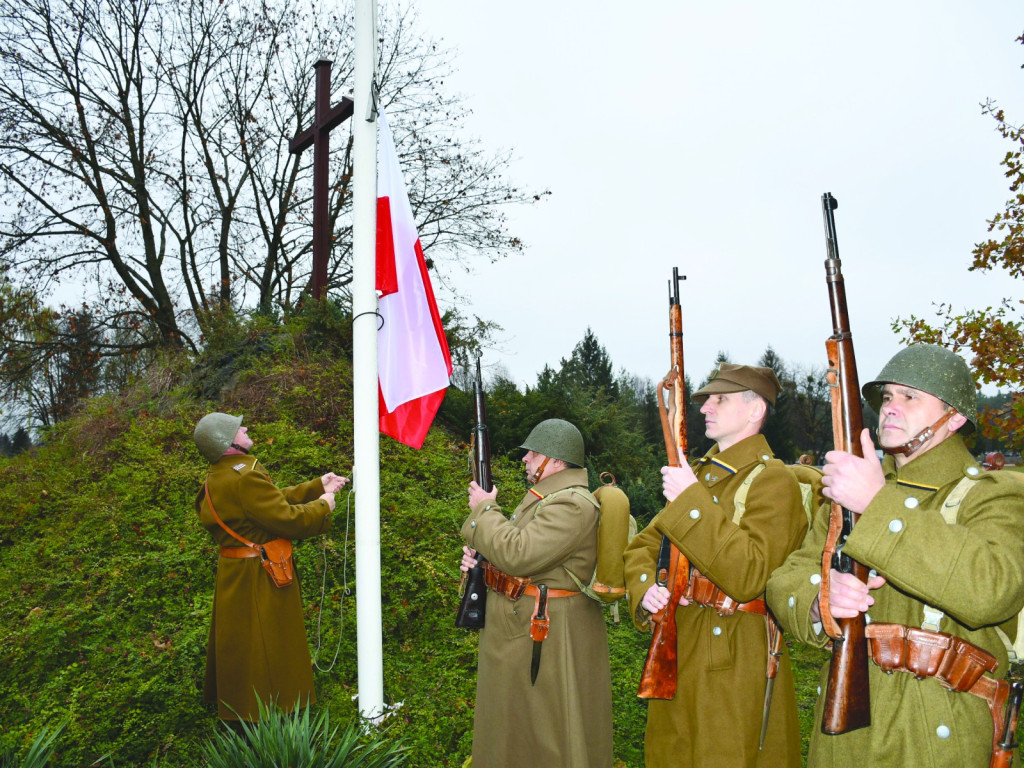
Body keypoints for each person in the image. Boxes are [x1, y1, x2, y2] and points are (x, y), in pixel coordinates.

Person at [766, 343, 1024, 767]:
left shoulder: (996, 495)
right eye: (887, 397)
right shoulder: (848, 496)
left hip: (940, 731)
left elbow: (991, 589)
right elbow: (787, 576)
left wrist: (878, 503)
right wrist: (821, 600)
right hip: (845, 733)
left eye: (910, 397)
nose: (890, 407)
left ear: (954, 417)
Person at [623, 363, 808, 767]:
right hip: (679, 641)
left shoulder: (773, 481)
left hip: (736, 653)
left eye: (720, 399)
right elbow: (642, 547)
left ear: (755, 409)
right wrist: (648, 590)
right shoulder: (702, 476)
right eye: (707, 398)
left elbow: (751, 575)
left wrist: (690, 501)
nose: (706, 407)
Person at [460, 418, 613, 768]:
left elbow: (519, 553)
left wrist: (484, 510)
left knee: (548, 735)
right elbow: (516, 558)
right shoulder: (547, 499)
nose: (526, 459)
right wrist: (484, 565)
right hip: (522, 631)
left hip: (547, 637)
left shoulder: (572, 504)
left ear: (557, 461)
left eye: (533, 453)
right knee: (515, 731)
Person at [192, 412, 347, 727]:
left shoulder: (218, 477)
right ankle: (273, 721)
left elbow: (270, 501)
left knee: (243, 646)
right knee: (270, 646)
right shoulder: (244, 476)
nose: (246, 427)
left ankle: (243, 712)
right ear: (227, 441)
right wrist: (323, 506)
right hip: (261, 575)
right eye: (238, 427)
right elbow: (285, 518)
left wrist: (317, 486)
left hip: (235, 574)